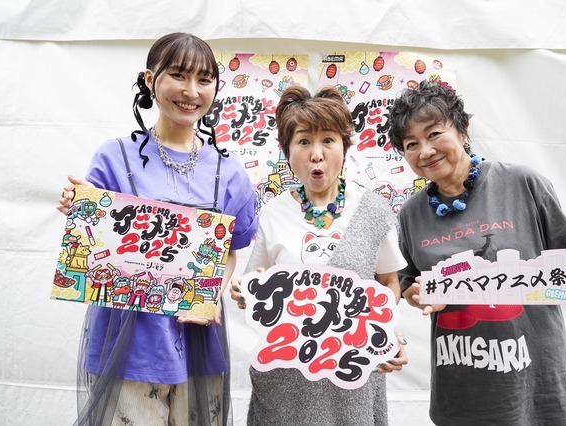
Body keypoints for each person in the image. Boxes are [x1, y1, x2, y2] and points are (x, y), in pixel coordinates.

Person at [387, 80, 566, 426]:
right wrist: (416, 294)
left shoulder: (523, 183)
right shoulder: (411, 214)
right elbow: (407, 284)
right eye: (412, 144)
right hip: (461, 385)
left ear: (463, 129)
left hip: (536, 383)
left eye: (434, 134)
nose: (425, 151)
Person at [57, 32, 258, 426]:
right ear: (150, 79)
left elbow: (229, 251)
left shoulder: (229, 171)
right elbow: (93, 246)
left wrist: (210, 295)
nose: (191, 91)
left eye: (204, 79)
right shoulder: (114, 157)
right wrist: (79, 212)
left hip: (197, 341)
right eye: (178, 75)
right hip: (127, 344)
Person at [229, 85, 409, 426]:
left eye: (328, 140)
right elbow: (255, 284)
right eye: (303, 141)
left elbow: (389, 283)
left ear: (344, 146)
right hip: (285, 379)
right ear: (287, 152)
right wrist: (244, 292)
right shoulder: (273, 213)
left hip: (350, 375)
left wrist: (382, 333)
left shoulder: (372, 210)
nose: (316, 154)